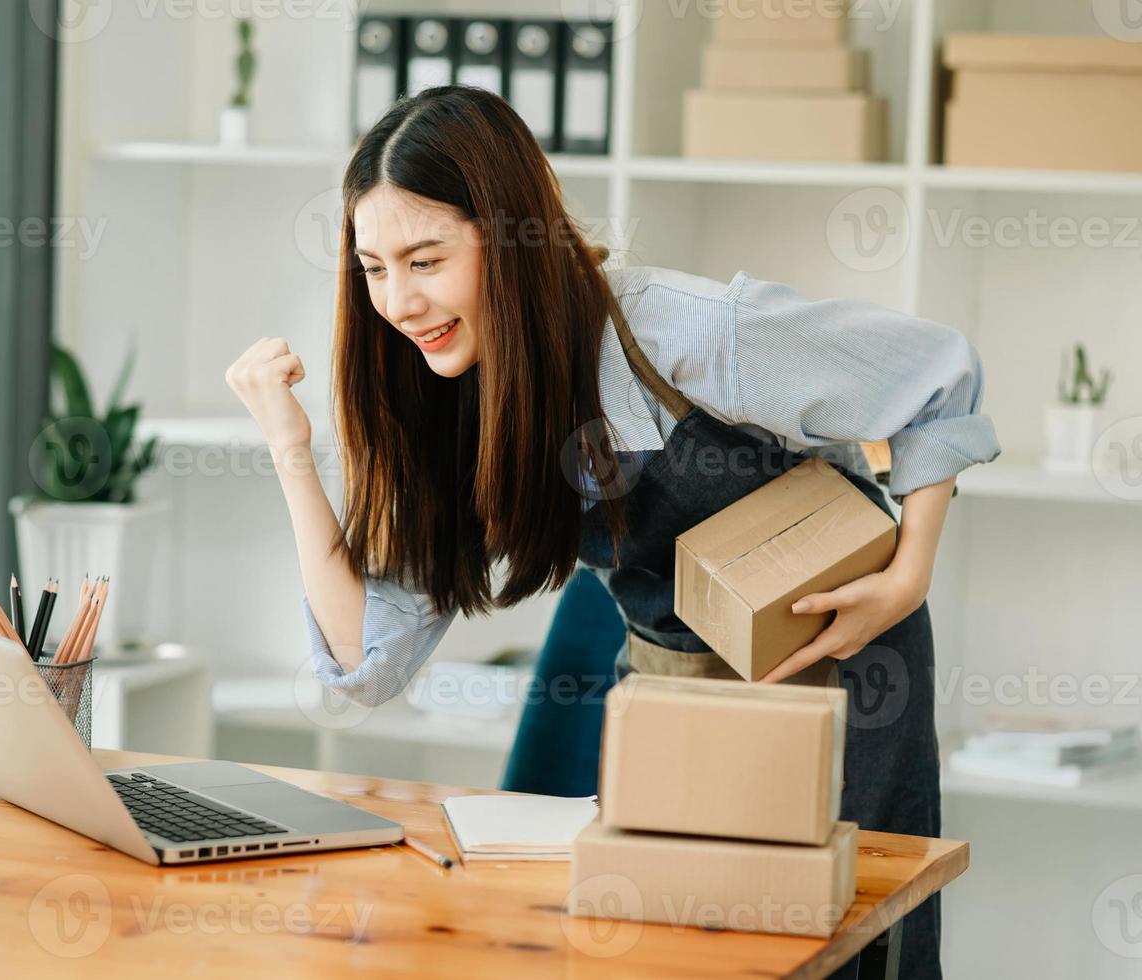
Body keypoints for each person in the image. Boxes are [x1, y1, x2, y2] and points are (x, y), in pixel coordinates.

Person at [225, 86, 999, 979]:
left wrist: (909, 575)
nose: (398, 301)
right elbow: (369, 656)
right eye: (373, 268)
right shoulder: (450, 398)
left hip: (843, 673)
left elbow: (938, 374)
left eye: (426, 260)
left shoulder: (677, 330)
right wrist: (290, 450)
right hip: (675, 694)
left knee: (852, 950)